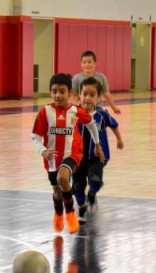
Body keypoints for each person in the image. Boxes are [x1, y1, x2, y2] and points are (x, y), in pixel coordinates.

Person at [32, 73, 105, 234]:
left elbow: (92, 124)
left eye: (62, 91)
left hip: (72, 155)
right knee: (57, 192)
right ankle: (59, 213)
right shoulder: (45, 112)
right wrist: (43, 151)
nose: (58, 95)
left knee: (62, 178)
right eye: (54, 91)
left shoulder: (76, 111)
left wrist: (97, 144)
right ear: (50, 92)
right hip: (52, 159)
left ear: (70, 93)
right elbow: (35, 137)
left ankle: (71, 214)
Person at [73, 77, 124, 224]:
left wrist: (119, 139)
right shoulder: (74, 115)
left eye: (92, 95)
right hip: (77, 159)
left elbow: (114, 125)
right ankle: (81, 207)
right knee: (77, 186)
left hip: (96, 158)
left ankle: (92, 193)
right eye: (85, 94)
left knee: (95, 181)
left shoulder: (102, 115)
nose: (87, 98)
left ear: (98, 97)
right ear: (79, 96)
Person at [71, 50, 121, 115]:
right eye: (84, 62)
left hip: (97, 108)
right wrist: (77, 103)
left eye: (89, 62)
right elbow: (72, 95)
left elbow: (106, 94)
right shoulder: (76, 78)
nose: (87, 64)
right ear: (81, 64)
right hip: (82, 107)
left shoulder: (101, 77)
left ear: (95, 63)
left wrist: (114, 108)